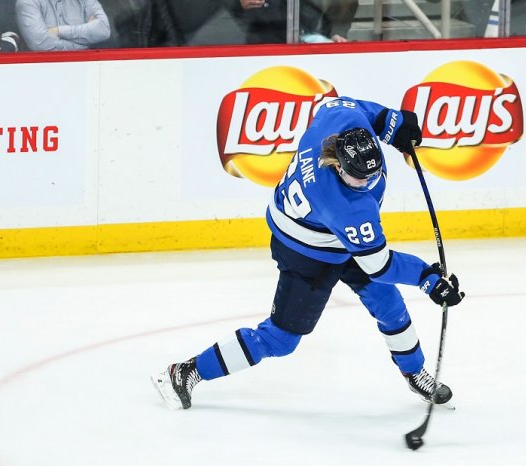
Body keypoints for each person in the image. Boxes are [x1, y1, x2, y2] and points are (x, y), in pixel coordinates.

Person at [152, 96, 465, 410]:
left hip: (333, 236)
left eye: (372, 173)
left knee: (388, 301)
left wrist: (391, 121)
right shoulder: (345, 205)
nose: (366, 182)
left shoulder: (339, 122)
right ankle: (186, 371)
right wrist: (428, 278)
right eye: (358, 176)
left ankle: (413, 373)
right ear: (338, 165)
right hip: (306, 252)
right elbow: (380, 266)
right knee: (280, 339)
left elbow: (344, 104)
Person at [16, 0, 111, 51]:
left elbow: (103, 29)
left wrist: (59, 31)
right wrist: (85, 44)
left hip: (84, 71)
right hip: (43, 74)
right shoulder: (27, 2)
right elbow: (41, 44)